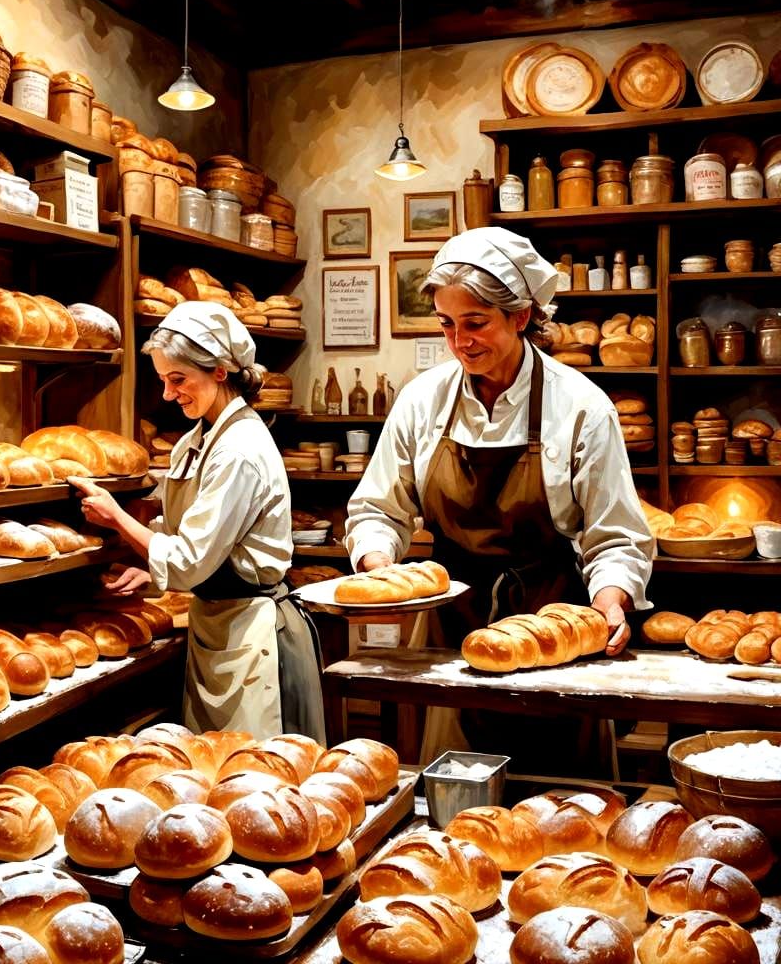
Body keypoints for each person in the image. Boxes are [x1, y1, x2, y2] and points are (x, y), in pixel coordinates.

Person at [346, 227, 654, 650]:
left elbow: (616, 535)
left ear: (521, 315)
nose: (460, 342)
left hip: (552, 626)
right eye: (446, 324)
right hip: (445, 628)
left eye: (476, 323)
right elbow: (378, 510)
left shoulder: (581, 406)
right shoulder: (422, 400)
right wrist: (377, 565)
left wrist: (609, 598)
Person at [71, 300, 326, 742]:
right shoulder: (199, 438)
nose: (169, 394)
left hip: (255, 634)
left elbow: (190, 561)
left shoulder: (238, 449)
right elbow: (185, 531)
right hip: (218, 624)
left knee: (261, 785)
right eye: (163, 381)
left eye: (179, 379)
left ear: (220, 372)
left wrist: (116, 518)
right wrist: (149, 559)